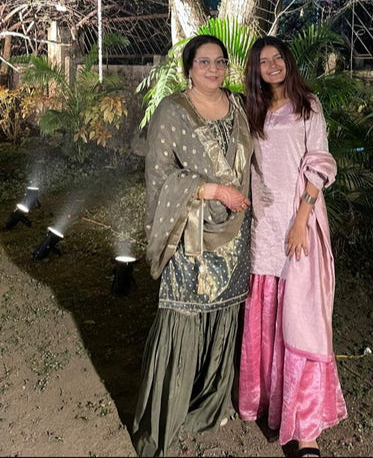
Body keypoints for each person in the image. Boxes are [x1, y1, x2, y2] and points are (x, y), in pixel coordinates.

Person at [133, 34, 253, 457]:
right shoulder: (172, 111)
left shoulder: (239, 106)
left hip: (236, 232)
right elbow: (160, 174)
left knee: (224, 315)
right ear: (189, 68)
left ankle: (210, 403)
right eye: (204, 62)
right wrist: (213, 190)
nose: (213, 69)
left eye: (220, 61)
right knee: (182, 317)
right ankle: (163, 421)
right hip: (192, 235)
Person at [238, 36, 347, 458]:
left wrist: (301, 219)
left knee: (302, 323)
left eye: (278, 57)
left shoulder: (308, 106)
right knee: (267, 317)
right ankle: (269, 402)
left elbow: (320, 162)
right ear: (256, 69)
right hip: (264, 229)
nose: (272, 65)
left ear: (288, 61)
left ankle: (306, 431)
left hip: (299, 225)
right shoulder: (252, 110)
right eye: (264, 61)